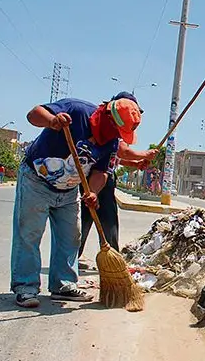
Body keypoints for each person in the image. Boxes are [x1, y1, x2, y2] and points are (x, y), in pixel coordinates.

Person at [11, 95, 156, 308]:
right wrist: (52, 121)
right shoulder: (77, 111)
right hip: (37, 180)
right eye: (117, 130)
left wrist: (94, 192)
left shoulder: (112, 142)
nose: (118, 136)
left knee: (71, 237)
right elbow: (33, 114)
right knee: (29, 234)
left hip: (69, 190)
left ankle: (63, 284)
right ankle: (26, 287)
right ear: (108, 116)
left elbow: (101, 172)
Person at [78, 92, 150, 263]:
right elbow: (121, 150)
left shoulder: (119, 130)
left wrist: (136, 164)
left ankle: (113, 260)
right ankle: (72, 257)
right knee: (83, 221)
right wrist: (143, 154)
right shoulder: (105, 122)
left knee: (109, 221)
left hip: (106, 178)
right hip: (89, 180)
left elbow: (115, 157)